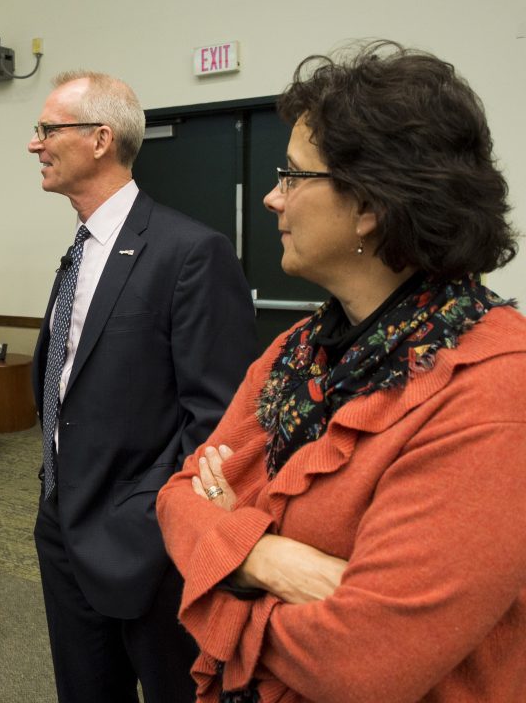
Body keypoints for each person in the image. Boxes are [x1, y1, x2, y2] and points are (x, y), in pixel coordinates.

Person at [156, 40, 526, 702]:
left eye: (293, 176)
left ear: (371, 206)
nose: (272, 198)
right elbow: (179, 497)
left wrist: (224, 559)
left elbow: (363, 663)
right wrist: (270, 560)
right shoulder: (298, 351)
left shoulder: (493, 384)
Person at [28, 70, 258, 702]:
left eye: (48, 129)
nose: (34, 143)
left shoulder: (191, 252)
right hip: (63, 527)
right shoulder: (78, 251)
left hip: (147, 547)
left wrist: (148, 523)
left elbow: (218, 421)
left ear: (100, 138)